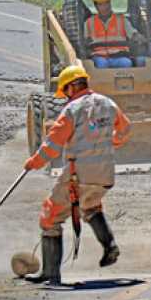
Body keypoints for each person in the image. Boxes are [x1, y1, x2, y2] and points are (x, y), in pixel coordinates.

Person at [24, 66, 132, 285]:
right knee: (90, 206)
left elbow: (53, 145)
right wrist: (109, 142)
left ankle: (51, 275)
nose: (65, 96)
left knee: (50, 216)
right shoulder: (108, 103)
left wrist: (34, 162)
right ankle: (109, 245)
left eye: (65, 91)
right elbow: (125, 129)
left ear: (72, 86)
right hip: (105, 174)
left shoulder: (73, 110)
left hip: (78, 175)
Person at [85, 0, 146, 68]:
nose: (105, 7)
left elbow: (133, 33)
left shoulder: (122, 20)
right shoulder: (89, 23)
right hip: (99, 56)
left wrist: (140, 38)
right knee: (101, 65)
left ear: (110, 2)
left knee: (126, 63)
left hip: (119, 56)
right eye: (101, 4)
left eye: (106, 3)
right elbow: (84, 41)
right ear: (95, 6)